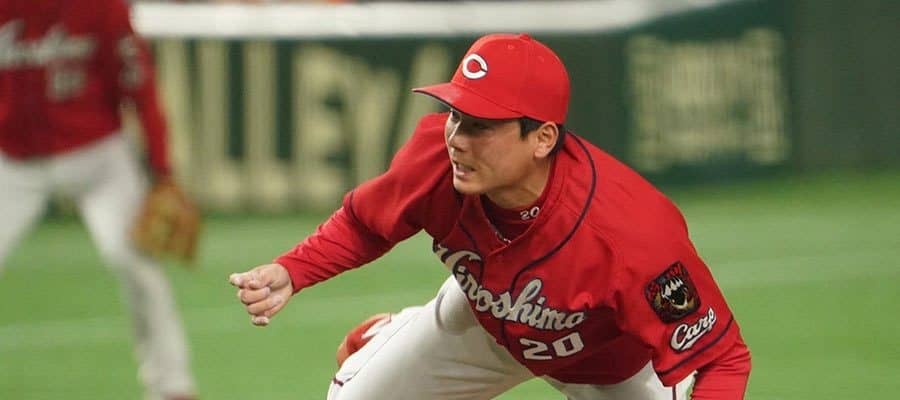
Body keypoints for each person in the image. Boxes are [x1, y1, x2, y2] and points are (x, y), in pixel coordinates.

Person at [229, 33, 751, 399]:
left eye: (481, 124)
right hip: (485, 324)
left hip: (612, 368)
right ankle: (397, 335)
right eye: (455, 114)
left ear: (542, 138)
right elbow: (367, 221)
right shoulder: (436, 157)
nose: (457, 138)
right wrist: (293, 270)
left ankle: (394, 330)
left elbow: (722, 359)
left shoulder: (629, 234)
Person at [0, 1, 197, 399]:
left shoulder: (102, 6)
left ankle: (173, 387)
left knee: (137, 265)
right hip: (14, 161)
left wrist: (162, 170)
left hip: (99, 155)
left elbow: (140, 86)